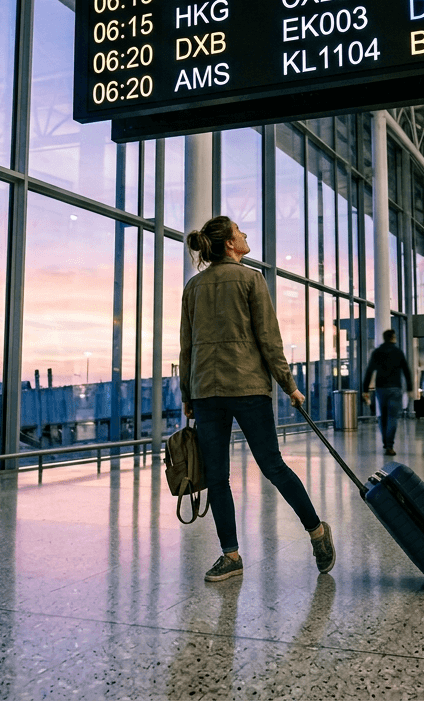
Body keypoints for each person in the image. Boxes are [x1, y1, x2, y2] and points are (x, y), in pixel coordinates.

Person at [180, 216, 335, 583]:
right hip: (248, 387)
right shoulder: (251, 279)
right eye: (240, 231)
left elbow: (186, 347)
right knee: (272, 465)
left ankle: (230, 554)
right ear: (230, 245)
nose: (246, 234)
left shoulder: (194, 286)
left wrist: (188, 393)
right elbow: (269, 339)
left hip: (206, 392)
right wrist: (289, 384)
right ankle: (316, 532)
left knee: (217, 477)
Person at [362, 329, 414, 456]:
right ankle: (389, 445)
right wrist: (410, 388)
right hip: (395, 388)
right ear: (393, 338)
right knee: (392, 417)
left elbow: (369, 371)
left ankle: (386, 441)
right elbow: (406, 371)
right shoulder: (398, 352)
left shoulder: (377, 352)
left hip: (381, 388)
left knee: (383, 416)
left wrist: (365, 390)